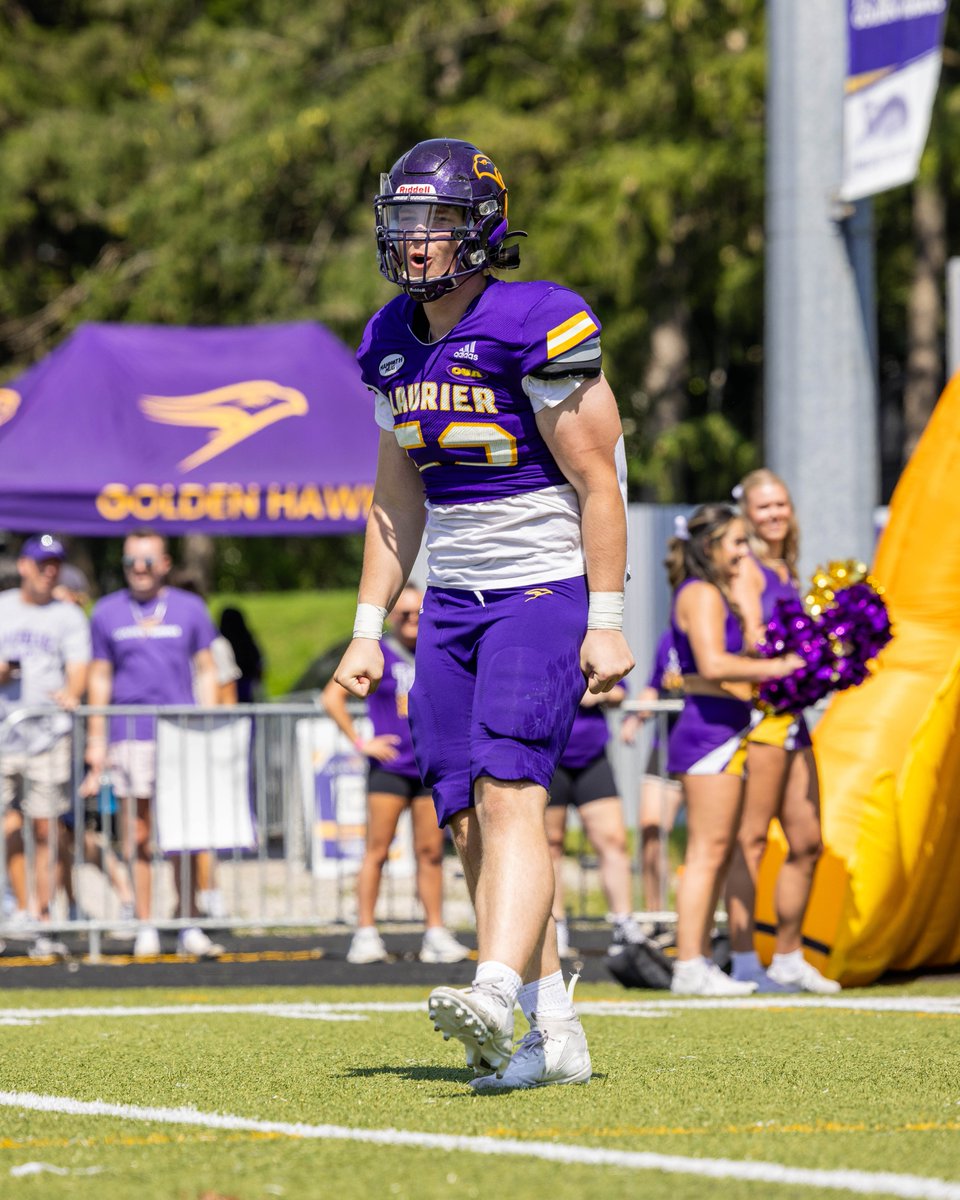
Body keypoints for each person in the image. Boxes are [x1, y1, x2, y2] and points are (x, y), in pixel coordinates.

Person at [334, 137, 634, 1090]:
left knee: (512, 790)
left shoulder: (538, 318)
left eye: (439, 222)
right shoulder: (389, 338)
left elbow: (600, 481)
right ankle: (552, 1031)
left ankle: (497, 987)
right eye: (406, 222)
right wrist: (368, 627)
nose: (418, 241)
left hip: (540, 587)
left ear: (482, 228)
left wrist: (608, 615)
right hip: (452, 599)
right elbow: (395, 499)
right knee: (462, 811)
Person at [665, 505, 803, 996]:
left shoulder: (715, 592)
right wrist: (781, 668)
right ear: (710, 548)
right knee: (708, 852)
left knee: (720, 852)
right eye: (737, 543)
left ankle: (699, 959)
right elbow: (711, 661)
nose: (746, 552)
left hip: (725, 730)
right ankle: (688, 964)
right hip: (707, 733)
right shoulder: (701, 592)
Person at [724, 469, 840, 994]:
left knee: (807, 840)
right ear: (747, 514)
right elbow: (753, 641)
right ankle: (746, 960)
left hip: (793, 717)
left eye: (780, 506)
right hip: (761, 718)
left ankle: (790, 956)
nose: (774, 515)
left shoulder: (787, 567)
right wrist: (797, 659)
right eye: (763, 507)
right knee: (749, 840)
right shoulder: (746, 566)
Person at [83, 529, 224, 959]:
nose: (138, 570)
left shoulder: (190, 608)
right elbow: (100, 677)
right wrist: (96, 738)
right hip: (129, 735)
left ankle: (187, 920)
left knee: (185, 834)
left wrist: (210, 724)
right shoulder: (106, 612)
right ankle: (146, 923)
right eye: (130, 562)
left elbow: (207, 668)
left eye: (146, 561)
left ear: (164, 564)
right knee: (138, 835)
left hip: (181, 733)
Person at [323, 585, 469, 966]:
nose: (411, 620)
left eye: (416, 612)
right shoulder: (381, 652)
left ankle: (435, 932)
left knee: (430, 852)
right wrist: (360, 742)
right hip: (389, 767)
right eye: (403, 614)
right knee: (377, 850)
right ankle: (365, 932)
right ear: (391, 616)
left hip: (428, 766)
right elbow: (331, 696)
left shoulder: (437, 649)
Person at [0, 535, 90, 958]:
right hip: (4, 735)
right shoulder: (3, 607)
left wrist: (73, 691)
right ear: (23, 566)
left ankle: (41, 915)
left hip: (48, 736)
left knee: (47, 828)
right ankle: (21, 906)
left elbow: (79, 668)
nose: (49, 570)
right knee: (8, 827)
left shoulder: (68, 614)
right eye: (41, 563)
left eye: (55, 563)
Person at [546, 683, 645, 959]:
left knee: (613, 840)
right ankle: (555, 926)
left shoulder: (590, 639)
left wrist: (597, 692)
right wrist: (572, 692)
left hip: (592, 756)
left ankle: (623, 923)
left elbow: (619, 689)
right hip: (548, 754)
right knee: (550, 844)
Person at [620, 627, 684, 930]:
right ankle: (655, 917)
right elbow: (654, 686)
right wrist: (635, 718)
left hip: (710, 749)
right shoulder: (669, 637)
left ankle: (703, 918)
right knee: (651, 829)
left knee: (709, 840)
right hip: (666, 748)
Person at [218, 607, 264, 703]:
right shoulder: (248, 642)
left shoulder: (220, 644)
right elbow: (259, 665)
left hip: (226, 689)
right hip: (247, 689)